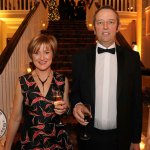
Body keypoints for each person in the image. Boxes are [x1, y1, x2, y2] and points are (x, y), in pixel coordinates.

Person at [70, 5, 142, 150]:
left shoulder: (132, 58)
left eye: (110, 22)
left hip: (121, 137)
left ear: (118, 26)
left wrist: (136, 139)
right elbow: (75, 92)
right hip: (88, 136)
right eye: (100, 22)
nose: (105, 27)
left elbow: (136, 100)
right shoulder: (80, 58)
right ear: (94, 28)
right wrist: (77, 104)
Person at [4, 34, 73, 150]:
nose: (42, 58)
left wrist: (65, 109)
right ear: (31, 55)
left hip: (57, 142)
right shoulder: (23, 82)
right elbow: (15, 118)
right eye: (36, 53)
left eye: (46, 52)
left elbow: (67, 110)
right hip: (31, 143)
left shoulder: (62, 80)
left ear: (53, 54)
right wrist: (7, 146)